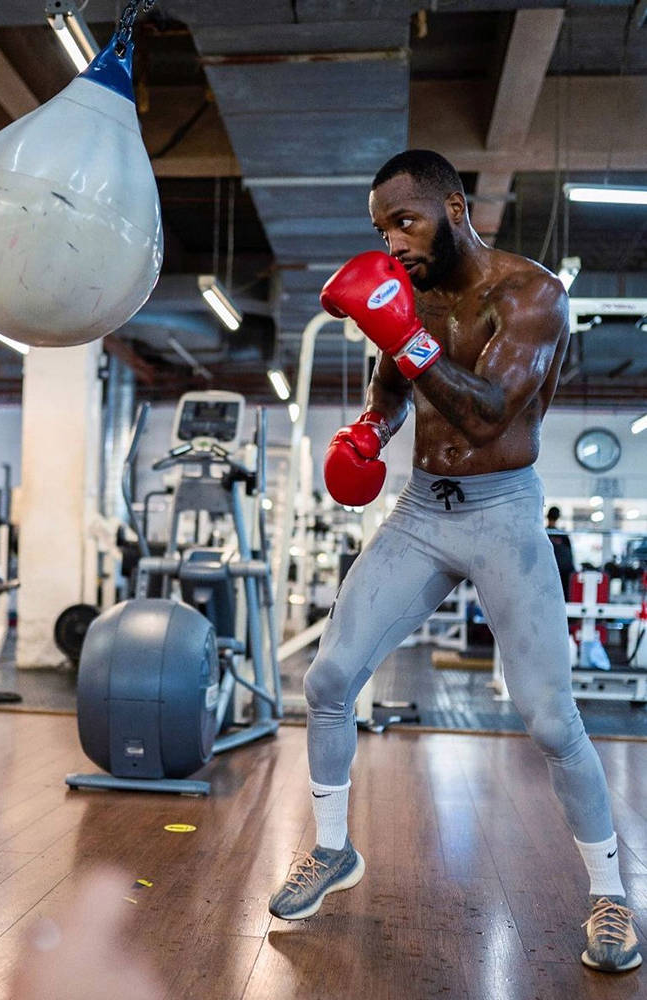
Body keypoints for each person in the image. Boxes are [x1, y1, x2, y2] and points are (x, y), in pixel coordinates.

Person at [270, 149, 639, 974]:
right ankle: (332, 849)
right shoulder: (416, 295)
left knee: (550, 720)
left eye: (406, 220)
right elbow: (394, 382)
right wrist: (370, 431)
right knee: (328, 682)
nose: (393, 241)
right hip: (421, 512)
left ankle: (612, 894)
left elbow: (487, 416)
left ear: (456, 209)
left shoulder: (532, 295)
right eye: (379, 229)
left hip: (503, 512)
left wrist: (403, 335)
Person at [548, 505, 576, 597]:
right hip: (563, 572)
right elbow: (570, 555)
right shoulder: (562, 535)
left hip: (550, 571)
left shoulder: (543, 534)